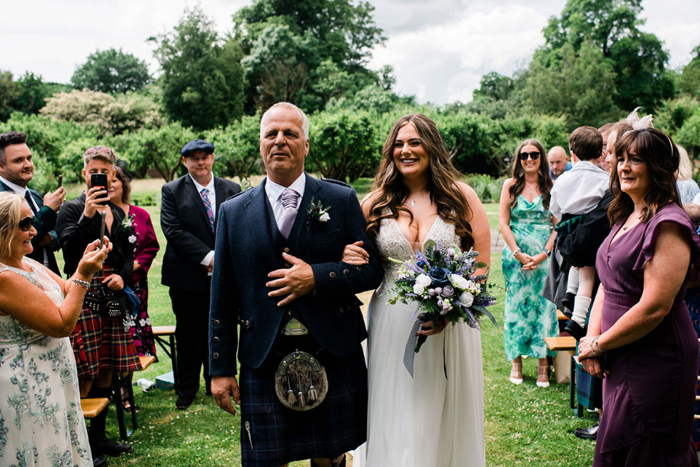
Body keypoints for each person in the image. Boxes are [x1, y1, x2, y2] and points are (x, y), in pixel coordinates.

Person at [209, 102, 383, 467]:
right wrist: (220, 369)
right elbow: (222, 296)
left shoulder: (340, 199)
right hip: (263, 355)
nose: (279, 141)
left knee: (330, 459)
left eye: (290, 133)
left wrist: (316, 277)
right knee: (266, 461)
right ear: (260, 144)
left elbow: (371, 272)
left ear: (306, 145)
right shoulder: (233, 212)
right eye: (271, 134)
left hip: (331, 348)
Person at [347, 113, 491, 467]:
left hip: (447, 327)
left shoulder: (462, 197)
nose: (406, 150)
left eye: (414, 142)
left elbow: (481, 266)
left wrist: (452, 309)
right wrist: (347, 255)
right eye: (398, 144)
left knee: (437, 411)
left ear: (431, 147)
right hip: (390, 321)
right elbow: (356, 261)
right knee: (392, 407)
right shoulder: (375, 202)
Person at [579, 128, 700, 466]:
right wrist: (591, 339)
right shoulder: (625, 214)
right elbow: (607, 282)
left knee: (646, 446)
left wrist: (601, 343)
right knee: (619, 438)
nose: (624, 167)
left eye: (636, 159)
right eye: (621, 158)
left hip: (658, 355)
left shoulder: (669, 223)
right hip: (619, 349)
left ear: (659, 166)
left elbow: (655, 307)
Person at [0, 191, 110, 466]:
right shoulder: (4, 278)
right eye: (25, 224)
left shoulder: (28, 263)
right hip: (25, 382)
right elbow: (62, 324)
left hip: (52, 378)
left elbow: (66, 289)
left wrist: (85, 264)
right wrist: (84, 274)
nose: (34, 230)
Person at [56, 146, 141, 459]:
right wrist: (88, 213)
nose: (100, 176)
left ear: (113, 173)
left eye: (105, 171)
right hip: (84, 294)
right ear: (84, 173)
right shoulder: (71, 208)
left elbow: (127, 254)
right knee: (85, 370)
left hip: (112, 297)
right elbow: (68, 253)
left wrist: (121, 275)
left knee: (108, 365)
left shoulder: (118, 212)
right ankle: (78, 444)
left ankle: (99, 438)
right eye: (94, 171)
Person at [161, 139, 240, 410]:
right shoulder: (171, 190)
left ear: (213, 158)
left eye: (204, 156)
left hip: (225, 277)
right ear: (185, 162)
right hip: (186, 277)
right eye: (193, 158)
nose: (200, 162)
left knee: (220, 328)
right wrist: (210, 258)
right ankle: (186, 389)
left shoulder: (232, 188)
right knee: (188, 334)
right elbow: (173, 231)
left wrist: (225, 261)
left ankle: (214, 382)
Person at [499, 138, 557, 387]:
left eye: (534, 154)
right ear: (519, 159)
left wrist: (544, 253)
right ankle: (516, 363)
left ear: (541, 157)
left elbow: (558, 225)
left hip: (544, 258)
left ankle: (543, 364)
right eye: (524, 155)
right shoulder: (510, 185)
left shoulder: (552, 186)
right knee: (515, 307)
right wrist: (517, 253)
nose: (529, 159)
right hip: (516, 259)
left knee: (544, 308)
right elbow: (503, 222)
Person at [549, 126, 608, 339]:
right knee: (587, 276)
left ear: (572, 154)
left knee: (576, 262)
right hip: (591, 231)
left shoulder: (563, 179)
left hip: (569, 228)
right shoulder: (604, 179)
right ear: (600, 154)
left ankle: (569, 293)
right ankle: (578, 320)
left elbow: (555, 208)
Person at [110, 164, 160, 412]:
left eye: (115, 181)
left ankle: (126, 393)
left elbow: (152, 244)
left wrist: (137, 265)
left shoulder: (139, 214)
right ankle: (112, 393)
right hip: (109, 289)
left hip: (136, 288)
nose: (110, 185)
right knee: (114, 339)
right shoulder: (99, 215)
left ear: (123, 185)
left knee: (132, 340)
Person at [0, 131, 65, 274]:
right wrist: (48, 209)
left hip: (48, 276)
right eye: (18, 160)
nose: (28, 164)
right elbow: (11, 242)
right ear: (1, 166)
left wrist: (51, 238)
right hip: (18, 279)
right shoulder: (2, 198)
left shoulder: (34, 195)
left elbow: (59, 233)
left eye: (29, 158)